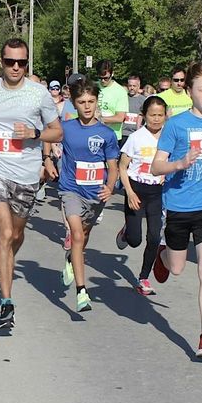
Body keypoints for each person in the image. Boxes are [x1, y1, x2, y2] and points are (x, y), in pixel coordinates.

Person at [148, 62, 202, 358]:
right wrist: (179, 163)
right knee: (176, 268)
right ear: (189, 91)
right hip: (178, 206)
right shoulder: (176, 125)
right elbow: (155, 166)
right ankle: (162, 254)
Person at [0, 38, 62, 332]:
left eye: (21, 63)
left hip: (26, 173)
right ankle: (7, 303)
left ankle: (3, 271)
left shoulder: (38, 95)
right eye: (10, 62)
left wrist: (35, 133)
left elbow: (57, 132)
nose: (16, 67)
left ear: (27, 64)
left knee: (17, 235)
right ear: (1, 62)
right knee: (6, 230)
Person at [46, 79, 119, 312]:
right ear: (74, 104)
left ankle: (70, 259)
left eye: (91, 101)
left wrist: (109, 185)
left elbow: (113, 165)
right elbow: (47, 137)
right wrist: (47, 159)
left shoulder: (106, 134)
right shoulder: (67, 127)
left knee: (84, 236)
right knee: (76, 234)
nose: (87, 106)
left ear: (96, 102)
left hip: (95, 193)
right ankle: (81, 291)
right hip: (71, 190)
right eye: (81, 102)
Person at [115, 95, 167, 295]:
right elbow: (122, 166)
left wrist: (166, 176)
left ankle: (143, 278)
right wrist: (128, 193)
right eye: (152, 115)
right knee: (135, 240)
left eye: (160, 115)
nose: (156, 119)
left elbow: (174, 163)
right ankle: (127, 230)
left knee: (154, 237)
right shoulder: (137, 137)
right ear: (144, 115)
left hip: (157, 192)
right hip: (136, 189)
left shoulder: (168, 137)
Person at [94, 59, 130, 144]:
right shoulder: (94, 86)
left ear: (112, 74)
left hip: (112, 136)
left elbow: (120, 117)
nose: (102, 81)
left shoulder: (120, 91)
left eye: (106, 78)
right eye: (100, 78)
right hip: (94, 134)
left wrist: (98, 119)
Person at [121, 75, 147, 143]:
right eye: (130, 86)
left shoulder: (143, 100)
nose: (132, 88)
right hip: (122, 134)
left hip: (136, 134)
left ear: (138, 86)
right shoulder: (122, 98)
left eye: (134, 86)